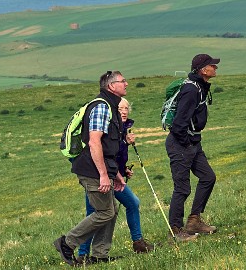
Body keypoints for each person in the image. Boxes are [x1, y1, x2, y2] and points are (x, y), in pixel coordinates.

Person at [54, 71, 129, 265]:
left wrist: (117, 174)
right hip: (92, 169)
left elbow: (108, 147)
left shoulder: (110, 106)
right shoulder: (102, 107)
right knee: (104, 212)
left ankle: (99, 255)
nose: (127, 84)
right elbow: (94, 143)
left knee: (110, 210)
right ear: (111, 86)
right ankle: (67, 243)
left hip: (103, 167)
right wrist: (104, 175)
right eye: (122, 81)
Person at [77, 97, 156, 258]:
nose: (124, 112)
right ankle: (82, 254)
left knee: (132, 203)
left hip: (114, 176)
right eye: (120, 109)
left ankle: (138, 242)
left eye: (126, 108)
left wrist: (123, 169)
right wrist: (125, 143)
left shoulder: (122, 128)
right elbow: (106, 152)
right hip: (98, 176)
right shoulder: (108, 127)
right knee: (94, 214)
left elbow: (116, 157)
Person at [166, 54, 220, 237]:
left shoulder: (200, 87)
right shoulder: (191, 90)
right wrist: (186, 143)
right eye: (213, 65)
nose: (216, 68)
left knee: (208, 177)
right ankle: (175, 230)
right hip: (181, 144)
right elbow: (179, 123)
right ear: (203, 69)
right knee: (182, 188)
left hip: (193, 142)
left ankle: (194, 222)